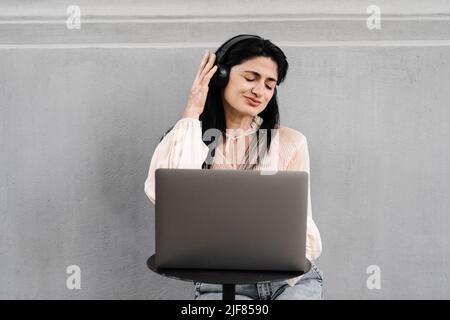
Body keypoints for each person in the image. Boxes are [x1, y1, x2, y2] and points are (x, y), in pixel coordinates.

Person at [144, 34, 323, 300]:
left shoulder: (290, 142)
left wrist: (291, 266)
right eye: (250, 78)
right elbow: (161, 192)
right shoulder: (190, 137)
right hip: (218, 282)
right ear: (221, 75)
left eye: (269, 84)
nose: (259, 90)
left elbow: (302, 224)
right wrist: (193, 107)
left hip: (288, 280)